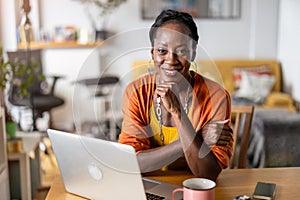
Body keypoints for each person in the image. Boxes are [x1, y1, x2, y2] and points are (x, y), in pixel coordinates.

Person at [118, 9, 233, 181]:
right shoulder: (137, 93)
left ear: (193, 52)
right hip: (149, 187)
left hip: (194, 189)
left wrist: (178, 112)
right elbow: (131, 163)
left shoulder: (215, 96)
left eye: (181, 51)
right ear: (153, 53)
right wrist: (198, 137)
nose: (171, 60)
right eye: (162, 51)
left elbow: (208, 174)